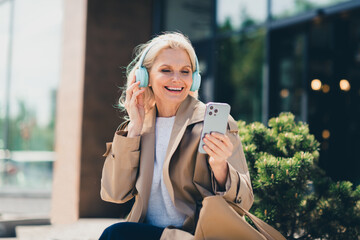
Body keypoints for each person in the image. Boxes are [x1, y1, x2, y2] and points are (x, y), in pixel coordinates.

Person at [99, 32, 253, 240]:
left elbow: (244, 202)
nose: (177, 79)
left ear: (194, 79)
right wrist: (134, 127)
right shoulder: (139, 127)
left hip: (195, 235)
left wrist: (220, 167)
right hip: (151, 233)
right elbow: (114, 193)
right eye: (166, 70)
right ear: (145, 77)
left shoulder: (212, 122)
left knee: (114, 235)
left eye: (185, 71)